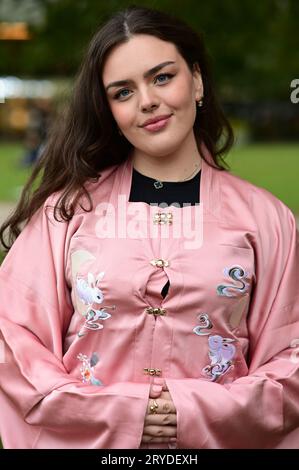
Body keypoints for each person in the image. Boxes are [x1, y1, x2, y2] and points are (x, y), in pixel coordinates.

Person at [0, 5, 298, 450]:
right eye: (123, 92)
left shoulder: (267, 219)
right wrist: (124, 413)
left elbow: (290, 359)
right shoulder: (66, 212)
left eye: (162, 77)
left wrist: (192, 411)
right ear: (109, 110)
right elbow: (14, 343)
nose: (147, 101)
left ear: (196, 80)